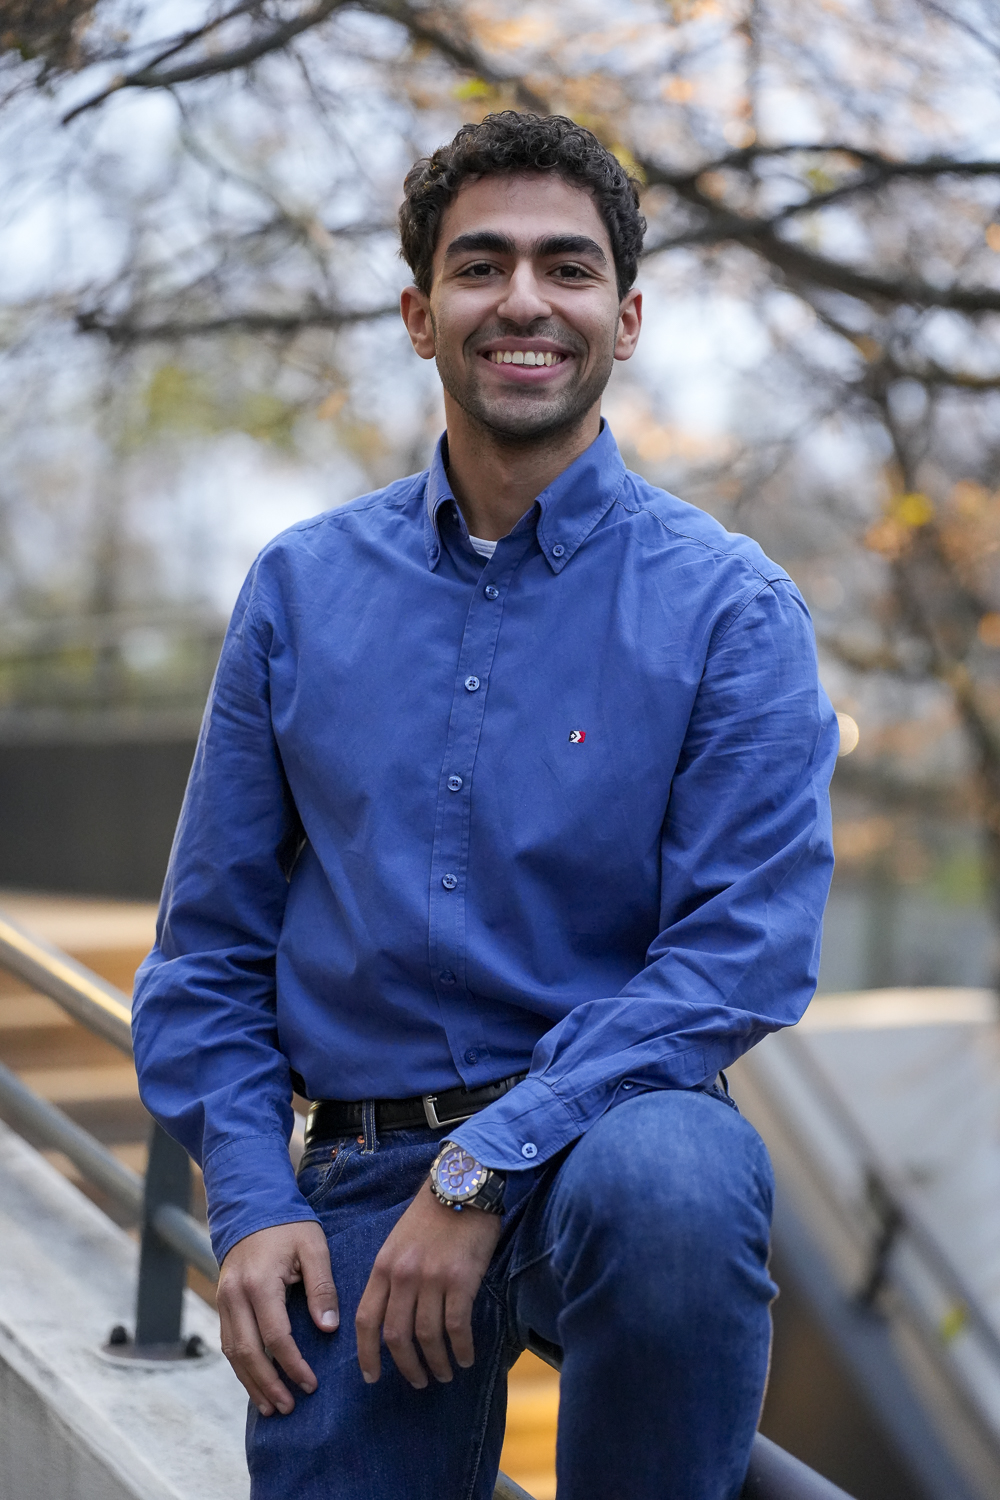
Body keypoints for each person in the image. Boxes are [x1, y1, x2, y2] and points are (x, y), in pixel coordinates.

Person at [132, 111, 838, 1500]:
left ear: (625, 319)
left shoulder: (730, 608)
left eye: (568, 269)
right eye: (483, 265)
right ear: (418, 312)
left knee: (680, 1185)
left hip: (602, 1154)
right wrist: (252, 1201)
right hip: (352, 1188)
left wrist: (481, 1169)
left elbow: (740, 955)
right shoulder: (299, 592)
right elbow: (209, 950)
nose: (525, 300)